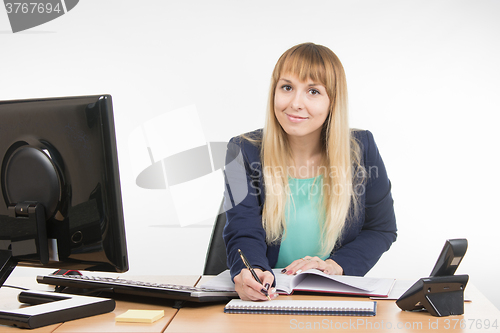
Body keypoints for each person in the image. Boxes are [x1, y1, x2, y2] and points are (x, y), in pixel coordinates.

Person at [222, 43, 397, 301]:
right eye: (287, 87)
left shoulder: (362, 149)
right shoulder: (241, 151)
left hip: (331, 298)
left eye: (313, 91)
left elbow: (380, 228)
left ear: (332, 101)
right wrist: (253, 272)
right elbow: (242, 228)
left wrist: (335, 266)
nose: (295, 103)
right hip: (268, 299)